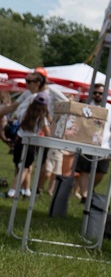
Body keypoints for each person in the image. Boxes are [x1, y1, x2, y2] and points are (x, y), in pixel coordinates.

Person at [1, 68, 67, 198]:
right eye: (26, 80)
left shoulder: (51, 92)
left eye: (29, 81)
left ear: (39, 82)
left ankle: (21, 190)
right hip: (32, 135)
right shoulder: (29, 95)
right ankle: (23, 190)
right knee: (24, 165)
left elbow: (67, 105)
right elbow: (14, 108)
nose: (27, 83)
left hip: (32, 134)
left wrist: (58, 123)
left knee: (26, 165)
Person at [72, 83, 111, 201]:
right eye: (95, 93)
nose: (97, 95)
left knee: (101, 171)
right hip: (86, 143)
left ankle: (89, 190)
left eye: (100, 93)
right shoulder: (86, 106)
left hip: (104, 146)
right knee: (84, 170)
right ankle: (85, 196)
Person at [8, 93, 51, 196]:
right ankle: (13, 190)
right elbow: (48, 133)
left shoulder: (24, 112)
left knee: (20, 166)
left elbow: (16, 118)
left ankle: (26, 190)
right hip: (31, 143)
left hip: (20, 140)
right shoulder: (42, 118)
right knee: (25, 168)